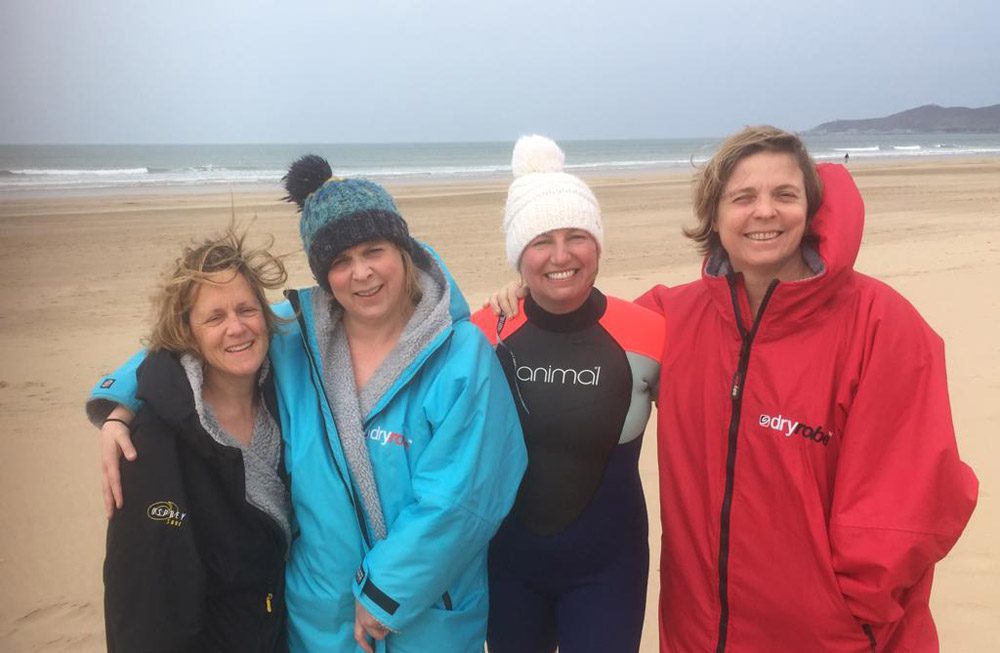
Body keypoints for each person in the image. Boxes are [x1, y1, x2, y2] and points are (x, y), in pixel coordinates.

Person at [490, 126, 978, 651]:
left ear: (810, 209)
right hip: (701, 629)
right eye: (742, 197)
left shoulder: (880, 325)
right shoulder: (670, 321)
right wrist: (532, 294)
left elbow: (917, 496)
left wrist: (850, 612)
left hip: (834, 635)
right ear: (715, 217)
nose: (763, 212)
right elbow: (590, 328)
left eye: (784, 195)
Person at [89, 156, 527, 652]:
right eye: (340, 261)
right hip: (320, 620)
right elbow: (198, 338)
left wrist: (387, 593)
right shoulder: (297, 339)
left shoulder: (461, 357)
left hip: (427, 616)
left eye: (373, 250)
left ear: (402, 251)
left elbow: (462, 498)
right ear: (324, 276)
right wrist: (121, 400)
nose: (360, 273)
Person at [472, 135, 664, 653]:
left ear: (597, 245)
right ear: (519, 255)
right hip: (507, 570)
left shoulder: (650, 333)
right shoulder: (482, 331)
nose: (561, 255)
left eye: (577, 235)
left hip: (610, 573)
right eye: (541, 241)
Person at [101, 228, 291, 651]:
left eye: (247, 309)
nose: (237, 328)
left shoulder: (287, 399)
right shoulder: (150, 444)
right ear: (187, 330)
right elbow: (142, 605)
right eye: (215, 317)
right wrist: (118, 410)